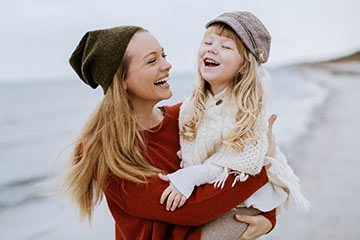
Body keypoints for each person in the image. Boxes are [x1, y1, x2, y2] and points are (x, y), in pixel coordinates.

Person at [62, 25, 277, 240]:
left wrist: (267, 217)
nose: (167, 65)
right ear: (122, 79)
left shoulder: (187, 117)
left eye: (163, 55)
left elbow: (234, 158)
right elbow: (190, 210)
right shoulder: (102, 152)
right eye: (152, 60)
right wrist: (262, 166)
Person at [159, 11, 311, 239]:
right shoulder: (192, 105)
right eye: (208, 42)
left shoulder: (249, 110)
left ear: (243, 66)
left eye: (225, 47)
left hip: (243, 203)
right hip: (211, 195)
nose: (211, 49)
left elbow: (234, 165)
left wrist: (188, 177)